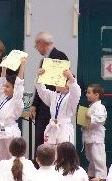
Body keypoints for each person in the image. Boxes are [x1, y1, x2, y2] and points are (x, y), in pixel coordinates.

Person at [29, 32, 69, 165]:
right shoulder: (44, 60)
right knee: (40, 135)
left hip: (53, 104)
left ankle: (51, 163)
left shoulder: (60, 56)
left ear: (42, 43)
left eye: (37, 45)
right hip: (43, 102)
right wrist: (34, 104)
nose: (36, 48)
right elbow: (40, 84)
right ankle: (39, 163)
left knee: (50, 138)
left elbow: (60, 83)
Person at [0, 58, 26, 161]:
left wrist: (22, 65)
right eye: (5, 86)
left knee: (14, 159)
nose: (5, 88)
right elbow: (1, 83)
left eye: (8, 86)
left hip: (11, 133)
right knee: (1, 160)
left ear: (14, 89)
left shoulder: (17, 100)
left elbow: (19, 85)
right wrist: (4, 67)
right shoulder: (4, 98)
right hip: (1, 131)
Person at [35, 68, 81, 145]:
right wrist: (39, 77)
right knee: (49, 153)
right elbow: (42, 91)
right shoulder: (54, 95)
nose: (56, 83)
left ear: (67, 85)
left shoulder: (71, 98)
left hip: (64, 129)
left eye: (59, 81)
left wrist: (71, 78)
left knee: (63, 154)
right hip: (52, 128)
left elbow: (76, 92)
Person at [82, 84, 107, 180]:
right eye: (86, 92)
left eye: (89, 93)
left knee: (98, 157)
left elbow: (101, 120)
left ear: (96, 95)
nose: (87, 95)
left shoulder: (100, 107)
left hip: (96, 138)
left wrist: (89, 117)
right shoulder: (91, 106)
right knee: (91, 158)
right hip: (89, 137)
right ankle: (92, 175)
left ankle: (101, 177)